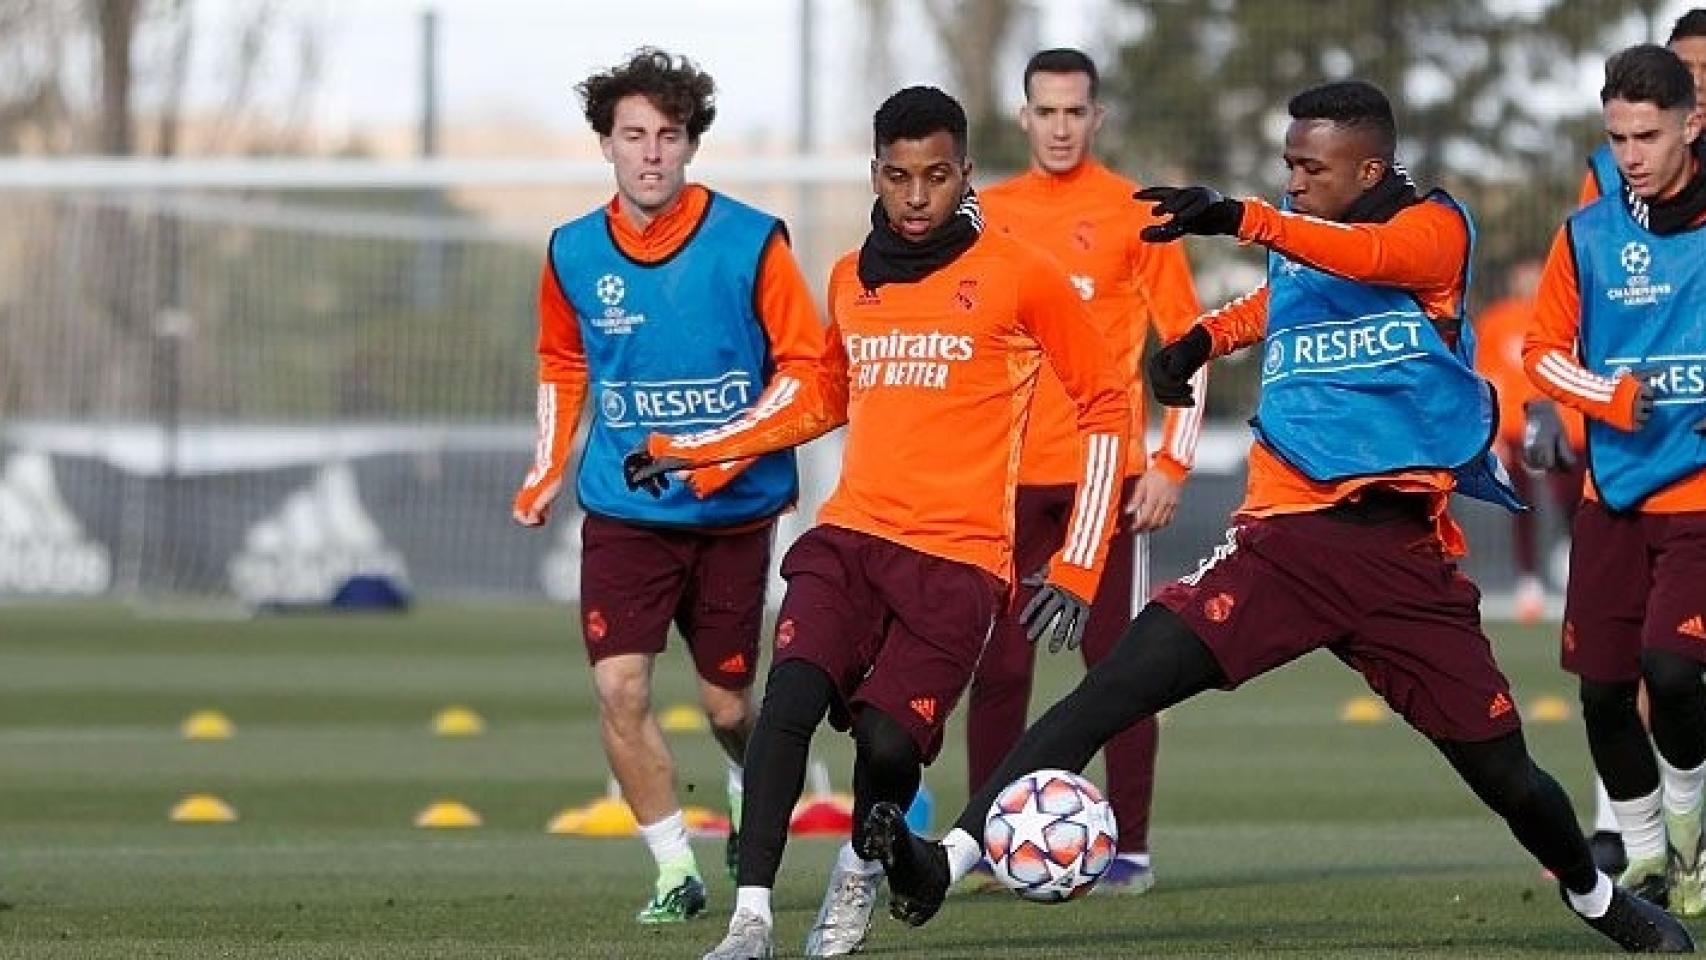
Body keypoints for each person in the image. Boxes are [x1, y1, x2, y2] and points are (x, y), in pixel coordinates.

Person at [861, 79, 1695, 954]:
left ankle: (1598, 898)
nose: (1292, 179)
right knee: (1108, 690)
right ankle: (943, 863)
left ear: (1370, 166)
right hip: (1281, 544)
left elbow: (1364, 260)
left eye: (1310, 166)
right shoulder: (1302, 244)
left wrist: (1239, 214)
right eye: (1286, 165)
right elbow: (1285, 298)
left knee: (1506, 772)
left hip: (1397, 557)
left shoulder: (1432, 231)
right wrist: (1201, 340)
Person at [626, 85, 1130, 960]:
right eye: (899, 177)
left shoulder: (1020, 273)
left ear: (965, 173)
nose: (917, 195)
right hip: (851, 538)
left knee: (892, 744)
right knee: (786, 701)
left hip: (960, 561)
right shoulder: (852, 276)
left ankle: (858, 880)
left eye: (936, 176)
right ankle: (751, 923)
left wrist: (1080, 560)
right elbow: (825, 392)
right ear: (877, 174)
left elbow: (1107, 403)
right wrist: (699, 449)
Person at [509, 47, 825, 925]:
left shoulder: (752, 241)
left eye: (669, 136)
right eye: (634, 135)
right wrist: (545, 468)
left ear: (692, 146)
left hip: (731, 513)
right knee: (620, 689)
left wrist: (716, 452)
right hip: (623, 506)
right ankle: (670, 871)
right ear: (605, 145)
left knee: (728, 704)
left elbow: (806, 373)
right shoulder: (573, 251)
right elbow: (562, 361)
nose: (651, 152)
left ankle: (743, 786)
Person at [964, 47, 1206, 895]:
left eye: (1076, 111)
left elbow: (1189, 347)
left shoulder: (1135, 213)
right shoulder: (984, 214)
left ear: (1096, 118)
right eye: (1046, 111)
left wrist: (1172, 461)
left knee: (1120, 668)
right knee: (997, 669)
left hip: (1107, 479)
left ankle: (1129, 851)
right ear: (1023, 116)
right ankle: (986, 844)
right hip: (1005, 482)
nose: (1061, 126)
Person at [1524, 43, 1706, 919]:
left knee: (1670, 672)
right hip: (1613, 497)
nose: (1630, 154)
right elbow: (1540, 353)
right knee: (1601, 691)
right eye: (1618, 136)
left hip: (1700, 502)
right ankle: (1646, 860)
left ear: (1692, 124)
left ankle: (1690, 839)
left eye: (1647, 135)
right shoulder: (1588, 232)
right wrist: (1609, 395)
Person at [1472, 259, 1585, 623]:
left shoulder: (1564, 316)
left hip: (1563, 426)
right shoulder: (1496, 320)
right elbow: (1485, 377)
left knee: (1573, 501)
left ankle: (1576, 565)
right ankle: (1529, 581)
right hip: (1517, 429)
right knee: (1522, 505)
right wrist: (1493, 434)